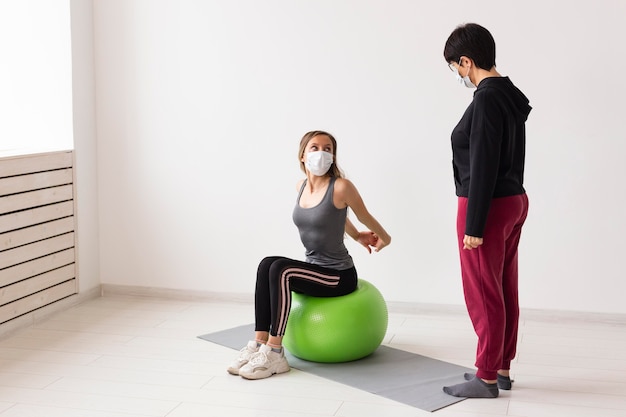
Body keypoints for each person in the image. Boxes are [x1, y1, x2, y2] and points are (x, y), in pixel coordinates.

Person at [227, 130, 392, 380]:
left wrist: (385, 238)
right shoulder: (301, 186)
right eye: (314, 147)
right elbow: (336, 216)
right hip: (314, 268)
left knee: (281, 269)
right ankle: (258, 344)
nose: (321, 153)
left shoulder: (342, 186)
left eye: (328, 148)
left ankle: (275, 352)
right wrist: (357, 235)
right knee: (267, 265)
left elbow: (362, 215)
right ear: (302, 155)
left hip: (339, 276)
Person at [441, 23, 531, 398]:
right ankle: (500, 366)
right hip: (513, 200)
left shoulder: (486, 98)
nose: (458, 75)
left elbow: (483, 163)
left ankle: (486, 376)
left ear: (467, 61)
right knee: (504, 288)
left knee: (483, 291)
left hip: (486, 206)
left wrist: (474, 224)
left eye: (456, 68)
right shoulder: (509, 93)